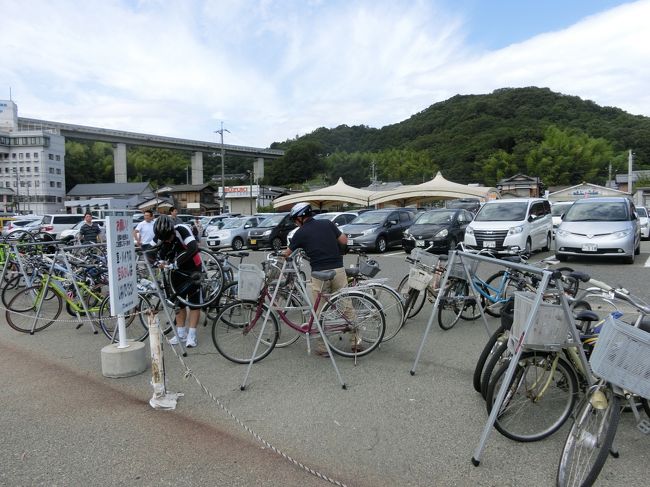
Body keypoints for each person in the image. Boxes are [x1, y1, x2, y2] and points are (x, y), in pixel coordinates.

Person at [284, 202, 350, 354]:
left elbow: (287, 253)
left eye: (295, 219)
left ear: (300, 217)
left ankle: (323, 348)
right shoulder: (327, 223)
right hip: (338, 269)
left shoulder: (300, 233)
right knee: (346, 305)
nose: (295, 222)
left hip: (319, 273)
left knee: (319, 311)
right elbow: (344, 241)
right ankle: (356, 341)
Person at [153, 215, 202, 348]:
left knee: (194, 303)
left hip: (193, 268)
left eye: (168, 237)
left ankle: (192, 335)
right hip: (175, 272)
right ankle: (181, 333)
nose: (167, 240)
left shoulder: (182, 229)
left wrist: (176, 262)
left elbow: (193, 248)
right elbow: (153, 252)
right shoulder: (159, 235)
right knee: (178, 302)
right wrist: (158, 262)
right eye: (164, 238)